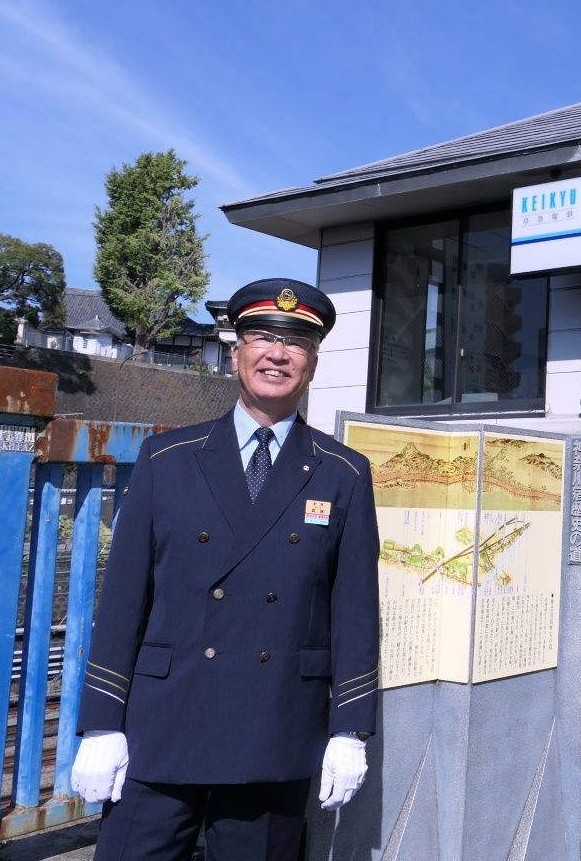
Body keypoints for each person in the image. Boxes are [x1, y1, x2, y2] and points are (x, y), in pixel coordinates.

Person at [69, 278, 381, 860]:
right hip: (160, 724)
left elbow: (355, 610)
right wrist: (102, 722)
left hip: (276, 724)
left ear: (312, 363)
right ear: (235, 352)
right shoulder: (168, 458)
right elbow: (123, 601)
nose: (278, 353)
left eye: (297, 343)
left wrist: (350, 728)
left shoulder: (343, 472)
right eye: (262, 337)